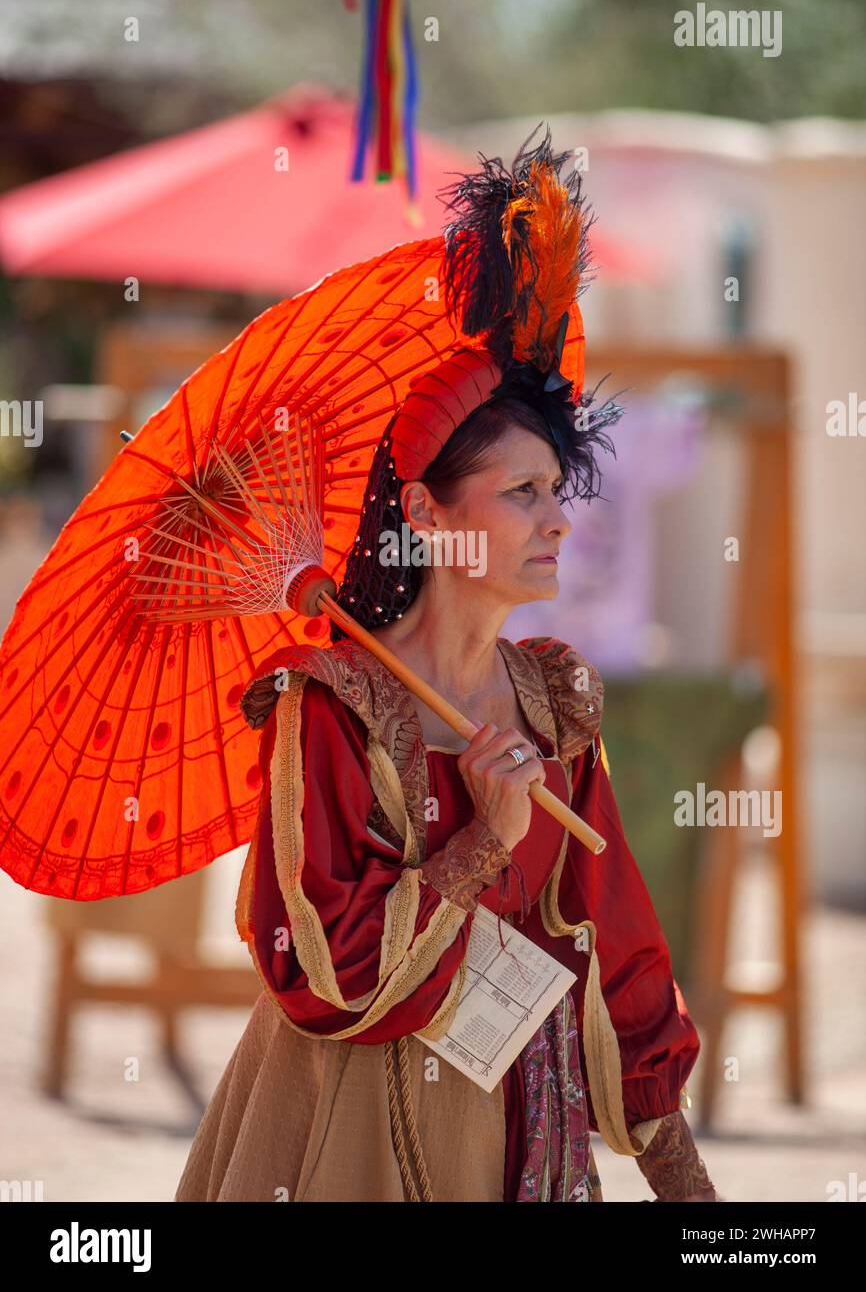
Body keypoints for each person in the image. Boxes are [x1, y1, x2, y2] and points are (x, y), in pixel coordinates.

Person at [174, 127, 721, 1203]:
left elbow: (613, 941)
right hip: (346, 1130)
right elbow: (315, 969)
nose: (555, 521)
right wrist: (482, 843)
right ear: (423, 513)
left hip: (525, 1123)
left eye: (556, 492)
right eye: (520, 494)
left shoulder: (551, 702)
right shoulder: (327, 706)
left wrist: (687, 1191)